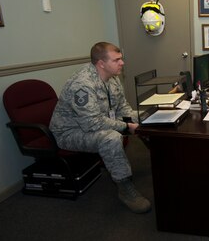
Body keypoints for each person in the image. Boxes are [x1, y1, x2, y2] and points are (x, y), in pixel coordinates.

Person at [50, 41, 151, 213]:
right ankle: (125, 189)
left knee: (147, 116)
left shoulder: (112, 78)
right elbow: (93, 123)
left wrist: (140, 119)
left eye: (121, 58)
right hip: (70, 132)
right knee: (111, 138)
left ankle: (163, 159)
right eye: (117, 60)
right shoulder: (82, 85)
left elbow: (123, 108)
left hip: (97, 122)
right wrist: (127, 127)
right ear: (101, 63)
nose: (122, 63)